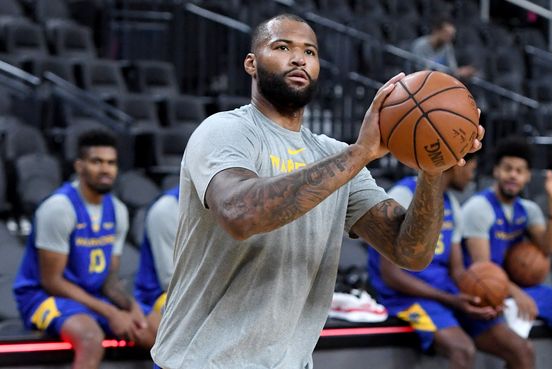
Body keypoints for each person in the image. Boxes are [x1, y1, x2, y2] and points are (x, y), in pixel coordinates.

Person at [150, 13, 485, 369]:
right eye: (282, 47)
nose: (299, 58)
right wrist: (359, 153)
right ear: (251, 63)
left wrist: (432, 171)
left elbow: (411, 253)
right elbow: (240, 214)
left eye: (309, 52)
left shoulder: (337, 157)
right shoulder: (224, 131)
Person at [369, 155, 535, 369]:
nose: (471, 177)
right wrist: (449, 299)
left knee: (522, 349)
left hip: (445, 294)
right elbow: (390, 274)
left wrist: (484, 297)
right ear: (457, 166)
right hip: (405, 298)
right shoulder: (403, 194)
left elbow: (457, 271)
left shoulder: (451, 204)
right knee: (462, 350)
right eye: (471, 169)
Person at [13, 130, 154, 369]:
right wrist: (111, 313)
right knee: (90, 339)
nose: (105, 169)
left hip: (92, 295)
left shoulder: (117, 210)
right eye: (96, 161)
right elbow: (52, 281)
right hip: (42, 297)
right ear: (79, 166)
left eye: (111, 163)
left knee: (158, 329)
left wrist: (131, 307)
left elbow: (109, 279)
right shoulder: (58, 208)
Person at [461, 138, 552, 369]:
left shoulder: (528, 210)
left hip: (518, 289)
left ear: (528, 176)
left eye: (520, 171)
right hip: (488, 291)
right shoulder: (479, 208)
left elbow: (550, 248)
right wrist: (517, 294)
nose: (513, 175)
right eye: (507, 169)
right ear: (496, 171)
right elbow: (484, 269)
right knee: (520, 322)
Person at [133, 186, 179, 338]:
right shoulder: (166, 209)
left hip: (207, 290)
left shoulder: (231, 205)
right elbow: (171, 281)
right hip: (160, 294)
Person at [410, 16, 476, 79]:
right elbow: (420, 70)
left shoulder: (447, 46)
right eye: (446, 34)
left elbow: (452, 70)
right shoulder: (420, 45)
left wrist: (461, 72)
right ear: (436, 31)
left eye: (451, 36)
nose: (449, 38)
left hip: (439, 80)